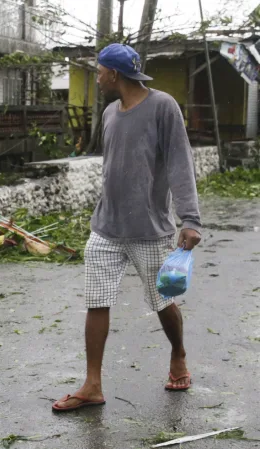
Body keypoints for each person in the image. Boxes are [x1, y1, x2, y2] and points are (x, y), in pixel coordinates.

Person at [52, 43, 203, 412]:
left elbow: (180, 163)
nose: (97, 76)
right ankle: (92, 384)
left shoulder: (163, 106)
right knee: (96, 299)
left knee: (162, 300)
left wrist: (190, 219)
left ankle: (179, 354)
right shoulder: (109, 113)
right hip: (106, 226)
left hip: (150, 227)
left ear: (114, 74)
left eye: (100, 71)